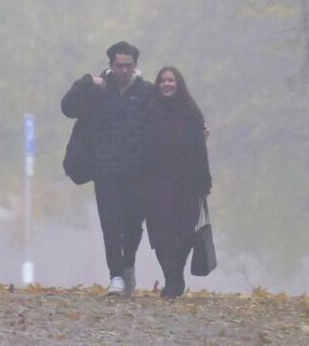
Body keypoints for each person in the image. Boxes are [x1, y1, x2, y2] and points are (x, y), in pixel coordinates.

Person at [61, 41, 153, 296]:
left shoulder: (147, 93)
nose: (123, 70)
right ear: (111, 65)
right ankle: (115, 276)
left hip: (137, 172)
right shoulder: (97, 91)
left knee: (133, 225)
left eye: (128, 65)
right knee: (110, 224)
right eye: (119, 65)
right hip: (105, 170)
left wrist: (197, 129)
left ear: (135, 66)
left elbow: (169, 117)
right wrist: (85, 82)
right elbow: (68, 108)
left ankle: (128, 264)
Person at [143, 67, 212, 298]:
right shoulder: (149, 111)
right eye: (163, 80)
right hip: (156, 183)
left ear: (178, 83)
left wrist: (204, 183)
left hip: (187, 184)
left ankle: (175, 277)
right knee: (160, 235)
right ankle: (171, 278)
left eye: (171, 80)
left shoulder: (191, 114)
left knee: (182, 233)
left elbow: (200, 151)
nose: (166, 84)